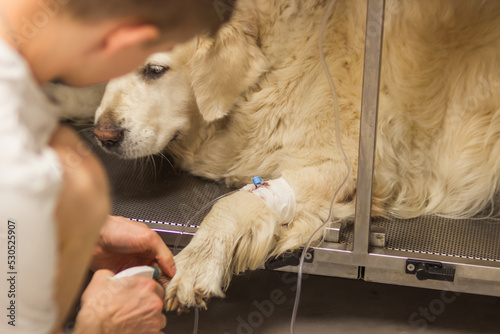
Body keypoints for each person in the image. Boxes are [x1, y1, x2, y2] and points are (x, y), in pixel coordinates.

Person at [0, 0, 234, 333]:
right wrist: (102, 324)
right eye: (148, 65)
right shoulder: (24, 163)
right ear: (128, 39)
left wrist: (80, 230)